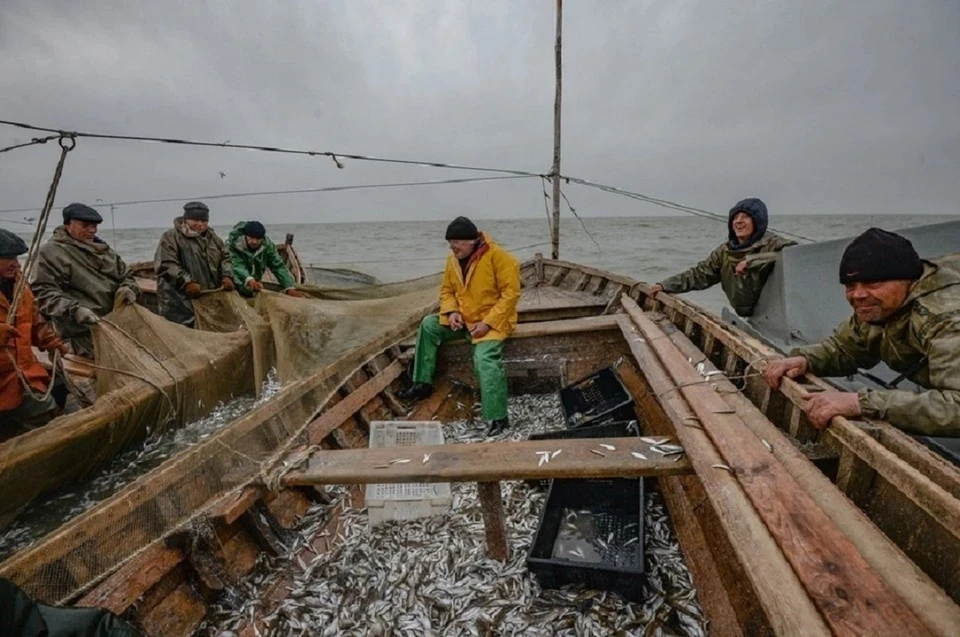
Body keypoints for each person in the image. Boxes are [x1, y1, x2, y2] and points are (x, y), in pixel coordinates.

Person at [763, 228, 960, 437]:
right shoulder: (883, 308)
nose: (858, 295)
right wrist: (805, 359)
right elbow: (845, 347)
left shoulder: (946, 320)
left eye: (873, 283)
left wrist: (861, 403)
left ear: (908, 280)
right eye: (850, 285)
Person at [398, 216, 521, 436]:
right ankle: (423, 383)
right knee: (428, 324)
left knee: (485, 359)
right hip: (463, 319)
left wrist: (487, 323)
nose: (453, 247)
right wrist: (452, 311)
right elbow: (447, 291)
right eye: (450, 242)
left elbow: (510, 295)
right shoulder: (452, 261)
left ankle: (498, 418)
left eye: (458, 242)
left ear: (473, 240)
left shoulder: (501, 258)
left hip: (493, 322)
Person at [649, 198, 796, 316]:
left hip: (775, 315)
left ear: (757, 223)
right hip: (747, 315)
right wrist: (664, 285)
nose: (738, 221)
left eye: (745, 216)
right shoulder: (724, 251)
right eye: (735, 217)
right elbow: (699, 275)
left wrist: (751, 262)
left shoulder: (772, 243)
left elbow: (799, 255)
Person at [31, 203, 140, 358]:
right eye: (85, 225)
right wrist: (74, 310)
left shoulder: (105, 251)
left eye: (95, 226)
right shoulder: (51, 253)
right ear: (67, 225)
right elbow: (44, 292)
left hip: (117, 328)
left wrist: (130, 288)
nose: (92, 230)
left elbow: (127, 275)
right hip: (81, 336)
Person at [0, 229, 68, 429]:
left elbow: (35, 320)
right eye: (7, 258)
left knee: (50, 420)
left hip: (24, 375)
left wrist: (51, 342)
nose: (16, 263)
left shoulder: (19, 285)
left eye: (16, 257)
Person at [154, 201, 235, 326]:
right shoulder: (171, 237)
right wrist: (187, 282)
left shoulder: (213, 238)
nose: (200, 224)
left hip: (208, 296)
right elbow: (167, 265)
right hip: (179, 301)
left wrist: (227, 275)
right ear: (186, 219)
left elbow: (226, 258)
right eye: (195, 220)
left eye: (204, 221)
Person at [227, 221, 303, 297]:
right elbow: (237, 265)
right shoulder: (233, 245)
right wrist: (248, 279)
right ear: (245, 236)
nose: (254, 241)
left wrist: (289, 287)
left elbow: (278, 266)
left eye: (258, 238)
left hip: (255, 282)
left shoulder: (267, 246)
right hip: (235, 282)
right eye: (251, 237)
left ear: (262, 238)